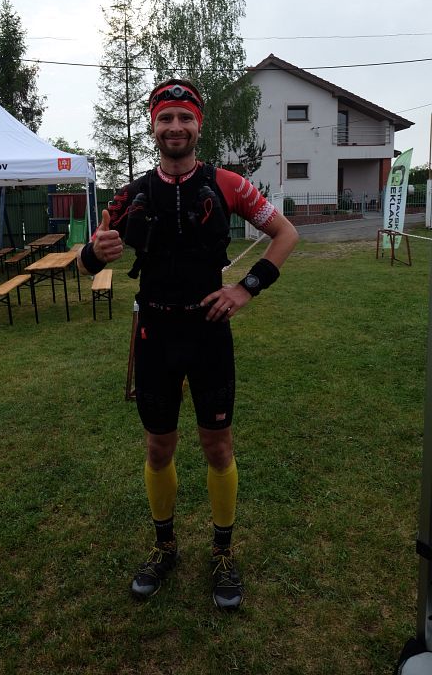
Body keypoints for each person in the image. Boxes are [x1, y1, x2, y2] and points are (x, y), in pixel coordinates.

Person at [78, 79, 298, 609]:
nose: (175, 127)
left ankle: (222, 552)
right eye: (165, 118)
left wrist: (246, 289)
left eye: (184, 118)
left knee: (217, 446)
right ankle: (165, 546)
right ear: (153, 126)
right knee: (159, 447)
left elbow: (286, 234)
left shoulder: (228, 184)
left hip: (208, 333)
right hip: (154, 335)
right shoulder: (129, 195)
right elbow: (85, 263)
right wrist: (95, 252)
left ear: (198, 126)